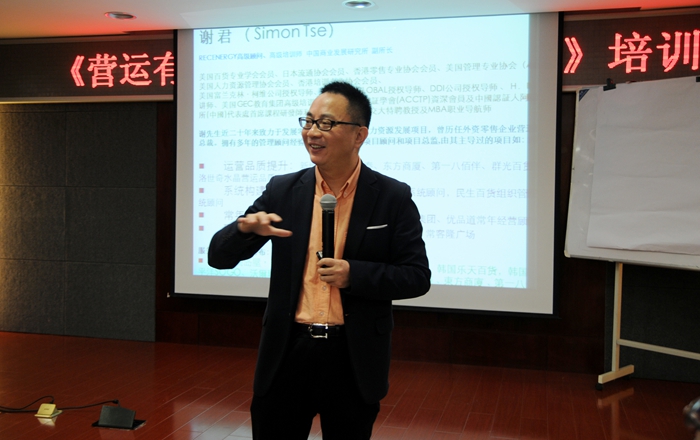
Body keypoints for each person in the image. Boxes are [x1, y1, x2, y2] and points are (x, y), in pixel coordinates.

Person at [208, 81, 430, 439]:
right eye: (308, 121)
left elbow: (417, 276)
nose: (312, 132)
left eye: (326, 123)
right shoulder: (283, 190)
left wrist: (354, 274)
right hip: (288, 351)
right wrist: (243, 229)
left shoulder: (392, 196)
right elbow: (218, 258)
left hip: (352, 357)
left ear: (359, 135)